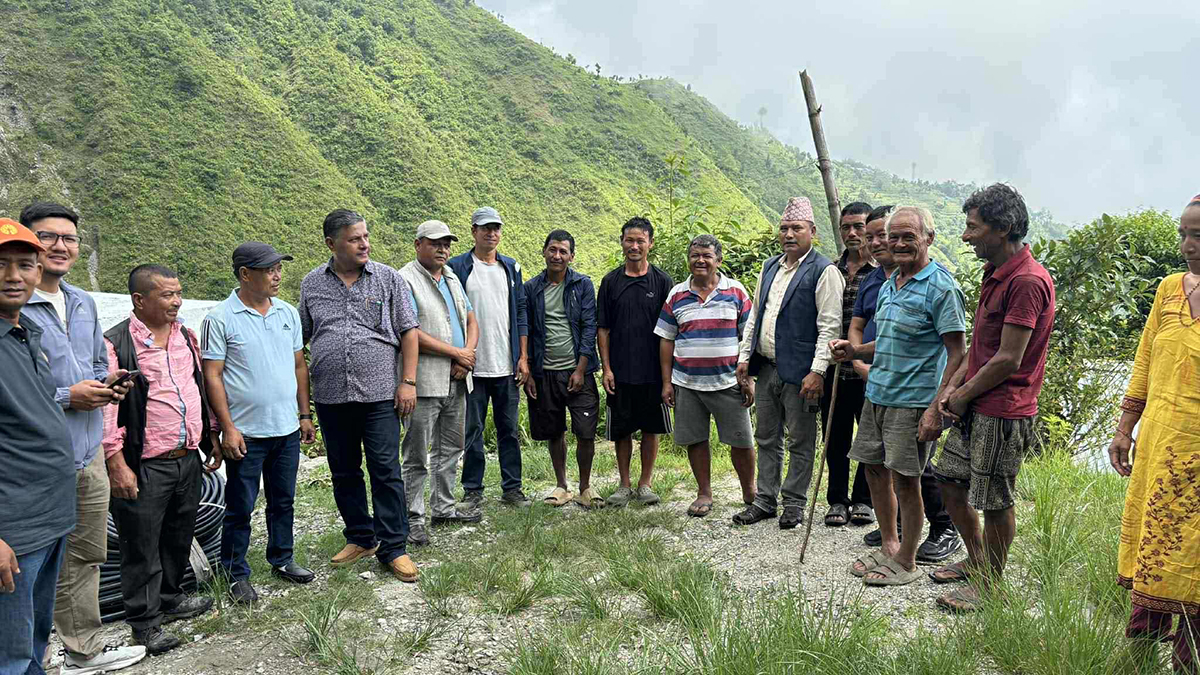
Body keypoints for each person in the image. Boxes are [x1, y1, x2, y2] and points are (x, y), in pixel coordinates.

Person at [18, 203, 145, 674]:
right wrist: (65, 396)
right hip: (33, 459)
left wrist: (105, 384)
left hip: (87, 451)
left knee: (86, 554)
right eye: (47, 237)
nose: (60, 246)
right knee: (28, 564)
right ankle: (27, 658)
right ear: (25, 242)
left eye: (68, 238)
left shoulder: (81, 301)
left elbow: (93, 363)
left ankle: (83, 651)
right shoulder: (12, 305)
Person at [930, 184, 1055, 612]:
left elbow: (1007, 359)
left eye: (973, 227)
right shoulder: (995, 274)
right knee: (948, 480)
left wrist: (961, 394)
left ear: (1001, 229)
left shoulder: (1026, 281)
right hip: (977, 404)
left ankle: (990, 586)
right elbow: (980, 347)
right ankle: (978, 559)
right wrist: (952, 390)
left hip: (1003, 411)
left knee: (996, 499)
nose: (966, 236)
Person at [831, 206, 966, 587]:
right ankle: (889, 543)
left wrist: (937, 407)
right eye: (895, 237)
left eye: (910, 236)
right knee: (874, 470)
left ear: (929, 239)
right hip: (877, 394)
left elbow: (958, 352)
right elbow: (888, 341)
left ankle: (907, 558)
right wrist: (855, 352)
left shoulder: (941, 287)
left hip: (913, 400)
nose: (900, 243)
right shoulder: (891, 282)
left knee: (907, 480)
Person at [299, 209, 420, 583]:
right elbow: (301, 338)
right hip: (332, 396)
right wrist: (304, 410)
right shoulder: (311, 284)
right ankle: (360, 537)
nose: (364, 244)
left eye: (366, 236)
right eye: (354, 239)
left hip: (380, 394)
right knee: (344, 470)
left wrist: (408, 382)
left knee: (385, 469)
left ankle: (394, 547)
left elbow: (409, 332)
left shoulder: (388, 279)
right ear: (331, 244)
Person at [102, 264, 217, 654]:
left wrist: (211, 435)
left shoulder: (186, 335)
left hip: (186, 455)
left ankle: (171, 598)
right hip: (145, 462)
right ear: (139, 300)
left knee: (178, 534)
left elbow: (197, 388)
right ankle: (145, 624)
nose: (176, 301)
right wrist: (116, 463)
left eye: (178, 293)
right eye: (167, 295)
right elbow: (106, 410)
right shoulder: (116, 343)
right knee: (140, 545)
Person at [1109, 194, 1200, 673]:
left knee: (1195, 556)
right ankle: (1140, 653)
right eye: (1184, 233)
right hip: (1160, 446)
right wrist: (1125, 427)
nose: (1188, 244)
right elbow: (1145, 361)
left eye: (1198, 235)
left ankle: (1190, 660)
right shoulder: (1168, 289)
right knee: (1156, 544)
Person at [201, 242, 317, 607]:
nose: (277, 275)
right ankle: (235, 572)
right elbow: (213, 376)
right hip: (246, 432)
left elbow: (300, 366)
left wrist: (304, 414)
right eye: (269, 269)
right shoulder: (219, 318)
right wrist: (226, 428)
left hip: (285, 428)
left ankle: (282, 558)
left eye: (279, 268)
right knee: (240, 506)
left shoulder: (287, 313)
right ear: (245, 274)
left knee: (283, 500)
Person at [733, 197, 844, 529]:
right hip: (766, 366)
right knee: (766, 436)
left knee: (800, 438)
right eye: (784, 228)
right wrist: (743, 356)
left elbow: (829, 325)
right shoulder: (770, 266)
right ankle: (765, 499)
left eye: (797, 228)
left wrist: (817, 371)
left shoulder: (824, 271)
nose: (789, 234)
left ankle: (794, 502)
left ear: (812, 231)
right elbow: (756, 315)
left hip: (801, 374)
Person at [0, 220, 76, 675]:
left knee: (33, 641)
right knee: (8, 653)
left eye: (24, 265)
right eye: (1, 265)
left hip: (50, 515)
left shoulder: (25, 329)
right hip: (13, 526)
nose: (14, 276)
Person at [656, 234, 756, 518]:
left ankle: (749, 490)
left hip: (729, 381)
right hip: (687, 382)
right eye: (695, 255)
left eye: (706, 256)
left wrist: (749, 378)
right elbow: (666, 339)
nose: (700, 260)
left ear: (718, 260)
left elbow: (749, 338)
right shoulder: (676, 294)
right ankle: (704, 493)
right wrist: (667, 382)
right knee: (696, 439)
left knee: (741, 440)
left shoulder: (736, 292)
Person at [399, 221, 480, 547]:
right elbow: (410, 331)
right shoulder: (405, 279)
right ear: (418, 244)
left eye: (446, 243)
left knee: (451, 448)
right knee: (417, 453)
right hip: (426, 380)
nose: (443, 249)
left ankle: (443, 507)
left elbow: (471, 318)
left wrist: (467, 355)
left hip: (458, 379)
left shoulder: (451, 277)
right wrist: (456, 353)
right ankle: (412, 517)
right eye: (435, 243)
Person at [448, 207, 531, 508]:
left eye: (496, 228)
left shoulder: (510, 268)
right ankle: (473, 489)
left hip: (505, 365)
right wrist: (458, 356)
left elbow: (521, 311)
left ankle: (512, 488)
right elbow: (451, 314)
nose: (491, 233)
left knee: (509, 429)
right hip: (473, 366)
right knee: (473, 430)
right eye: (485, 228)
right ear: (473, 231)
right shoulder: (458, 267)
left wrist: (522, 356)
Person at [597, 217, 673, 508]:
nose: (634, 245)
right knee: (622, 430)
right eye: (629, 240)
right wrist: (607, 368)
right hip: (621, 370)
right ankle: (625, 484)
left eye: (640, 240)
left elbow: (670, 330)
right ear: (622, 242)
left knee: (651, 429)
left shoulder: (662, 281)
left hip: (654, 371)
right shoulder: (610, 282)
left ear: (650, 244)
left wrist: (668, 376)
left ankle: (645, 484)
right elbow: (603, 328)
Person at [524, 230, 602, 508]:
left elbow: (588, 326)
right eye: (553, 250)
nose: (557, 256)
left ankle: (585, 487)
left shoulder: (582, 285)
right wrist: (530, 372)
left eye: (563, 251)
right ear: (544, 251)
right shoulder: (531, 288)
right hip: (545, 372)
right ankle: (561, 486)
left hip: (577, 370)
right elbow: (528, 330)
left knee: (585, 431)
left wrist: (581, 369)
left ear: (572, 256)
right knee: (554, 430)